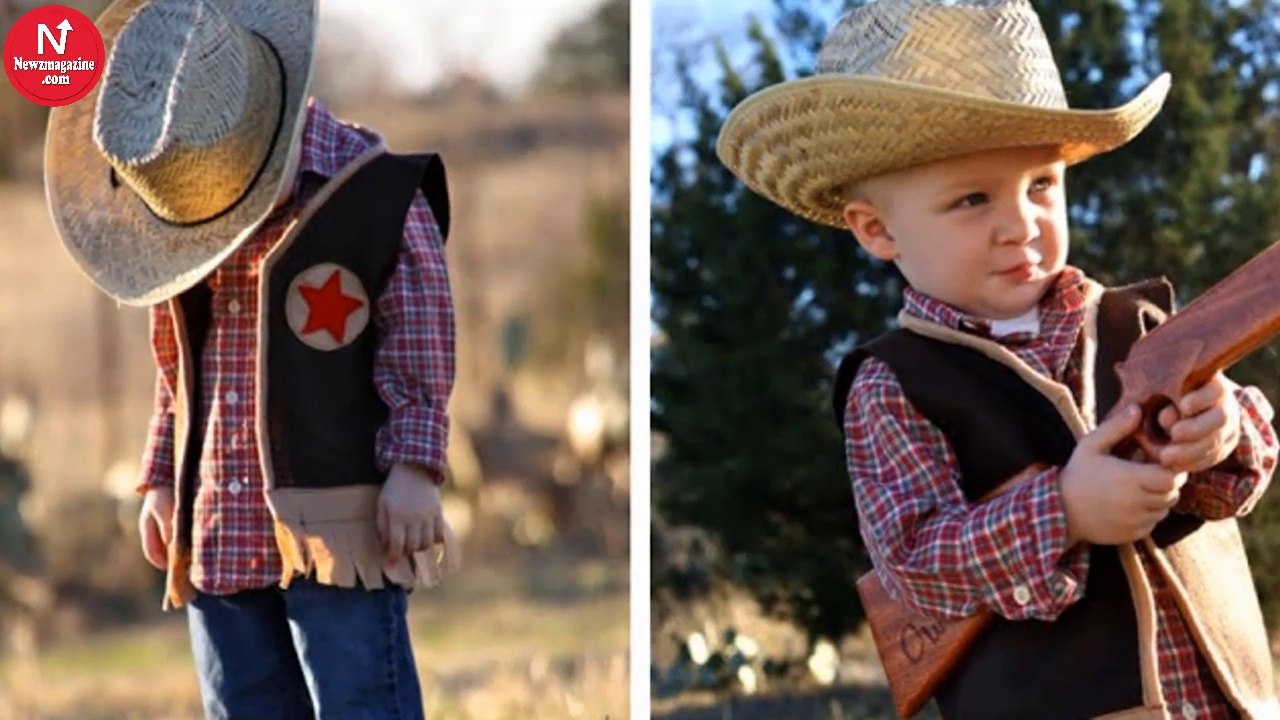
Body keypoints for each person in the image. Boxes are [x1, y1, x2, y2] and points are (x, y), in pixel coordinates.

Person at [717, 0, 1279, 718]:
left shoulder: (1137, 325)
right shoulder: (894, 385)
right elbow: (917, 563)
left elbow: (1233, 480)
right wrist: (1066, 510)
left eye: (1042, 184)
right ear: (875, 228)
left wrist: (1222, 433)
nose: (1021, 225)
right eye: (973, 199)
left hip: (1224, 698)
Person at [44, 1, 458, 718]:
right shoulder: (182, 214)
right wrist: (162, 479)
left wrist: (415, 467)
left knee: (358, 699)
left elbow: (419, 331)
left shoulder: (375, 195)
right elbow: (177, 365)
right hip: (216, 523)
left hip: (340, 526)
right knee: (242, 701)